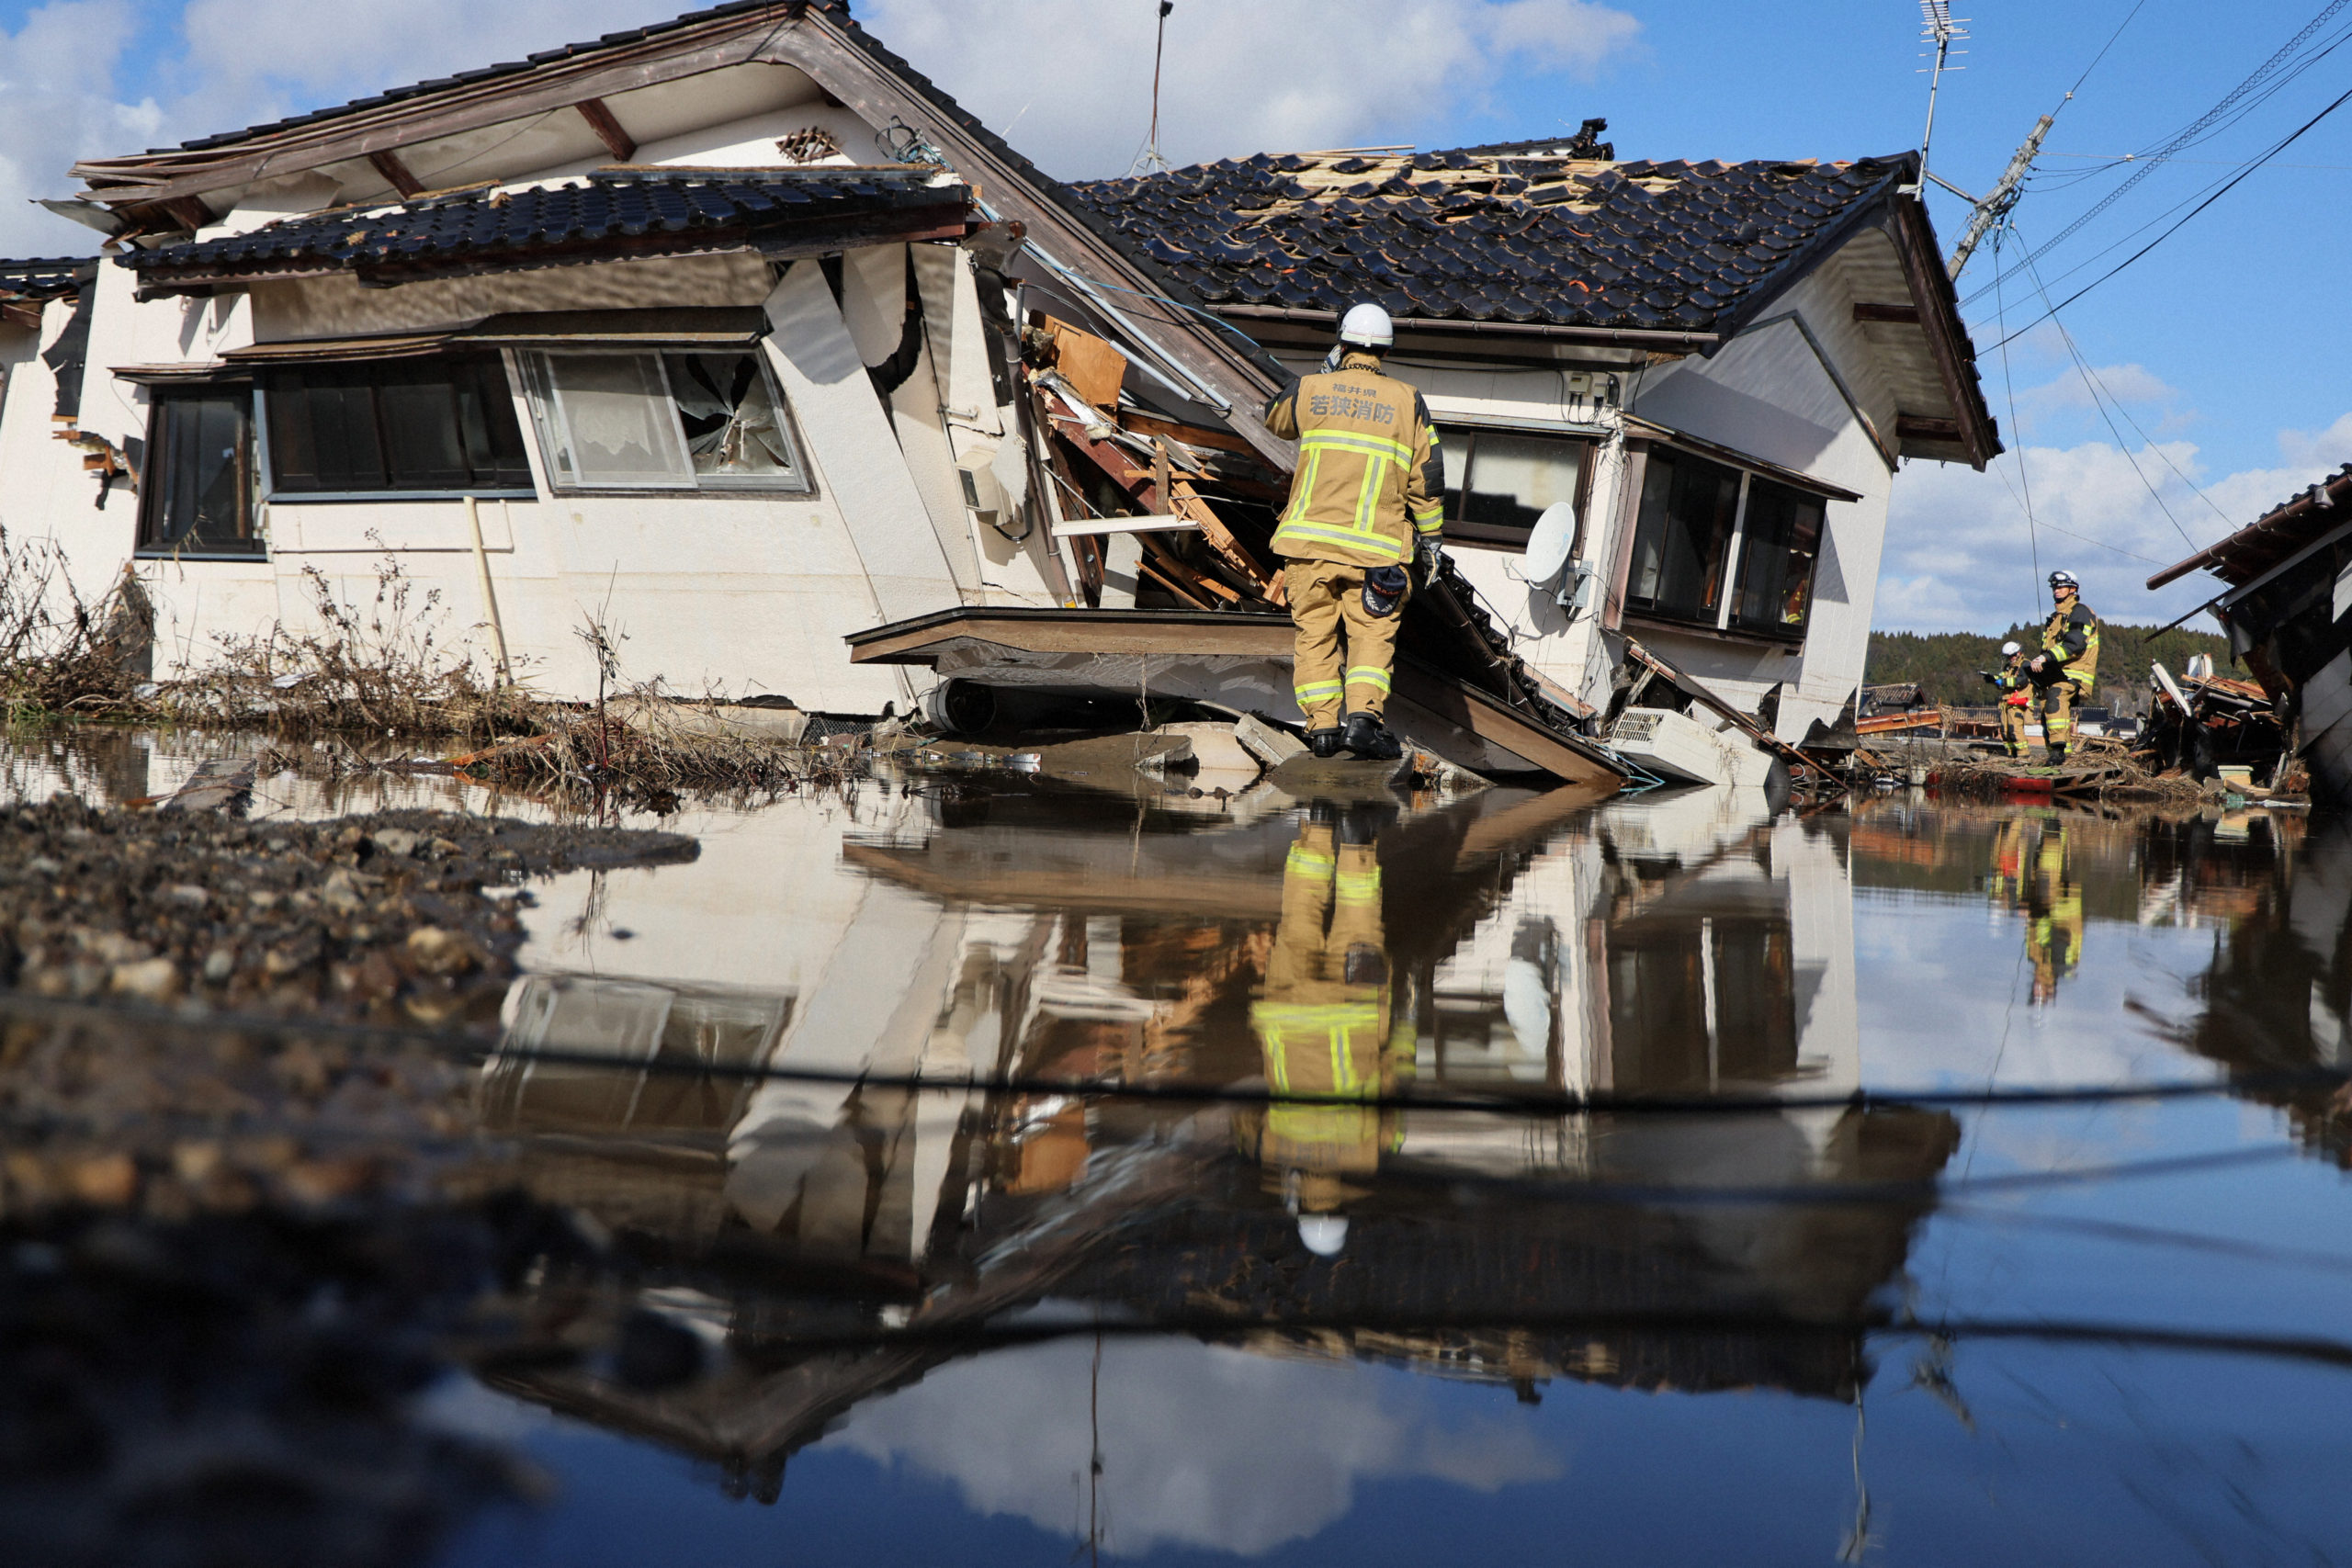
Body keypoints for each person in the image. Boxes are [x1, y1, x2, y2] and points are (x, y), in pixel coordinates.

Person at [1262, 303, 1446, 761]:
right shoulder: (1409, 401)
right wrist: (1433, 541)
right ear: (1385, 349)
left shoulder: (1311, 389)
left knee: (1315, 636)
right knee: (1370, 637)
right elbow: (1428, 478)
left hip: (1310, 547)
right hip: (1377, 554)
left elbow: (1275, 418)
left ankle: (1322, 729)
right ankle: (1363, 723)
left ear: (1341, 342)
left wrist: (1321, 373)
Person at [1235, 804, 1413, 1256]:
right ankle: (1319, 825)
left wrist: (1408, 1026)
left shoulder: (1370, 1153)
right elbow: (1241, 1116)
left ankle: (1354, 842)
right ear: (1302, 1206)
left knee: (1358, 924)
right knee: (1297, 921)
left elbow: (1394, 1081)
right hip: (1285, 1011)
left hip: (1352, 1012)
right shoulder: (1272, 1153)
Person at [2026, 570, 2100, 766]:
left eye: (2060, 587)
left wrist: (2045, 657)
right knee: (2047, 713)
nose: (2056, 591)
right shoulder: (2055, 618)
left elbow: (2075, 645)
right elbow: (2049, 648)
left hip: (2073, 675)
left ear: (2073, 589)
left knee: (2056, 698)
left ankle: (2058, 755)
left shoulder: (2080, 612)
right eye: (2054, 587)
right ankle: (2061, 757)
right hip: (2054, 676)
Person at [1984, 639, 2032, 759]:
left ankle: (2023, 755)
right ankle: (2011, 754)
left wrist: (2003, 681)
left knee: (2015, 729)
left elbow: (2021, 681)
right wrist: (1993, 679)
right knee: (2005, 731)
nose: (2010, 659)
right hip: (2006, 702)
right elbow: (2001, 678)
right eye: (2008, 657)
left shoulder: (2025, 664)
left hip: (2018, 702)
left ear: (2018, 653)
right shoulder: (2008, 668)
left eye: (2011, 656)